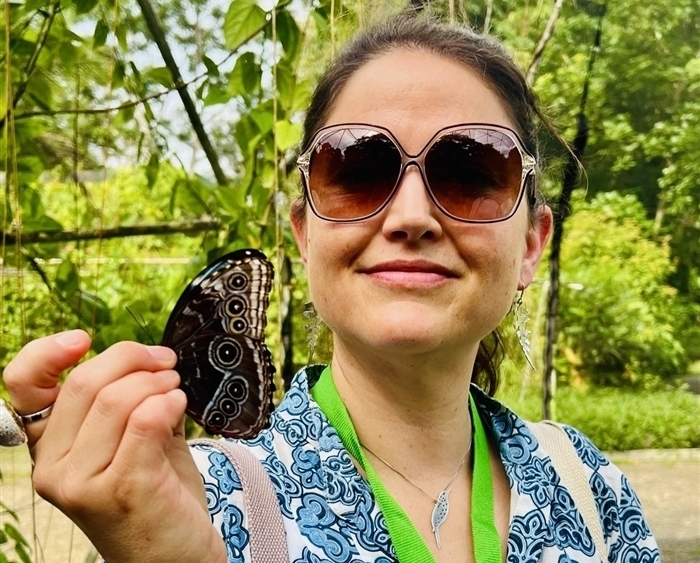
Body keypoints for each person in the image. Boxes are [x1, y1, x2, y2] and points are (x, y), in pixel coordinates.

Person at [2, 14, 659, 563]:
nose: (409, 217)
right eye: (357, 167)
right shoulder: (184, 499)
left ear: (531, 246)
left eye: (470, 169)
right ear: (304, 233)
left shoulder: (591, 488)